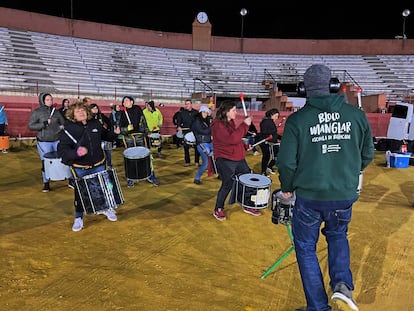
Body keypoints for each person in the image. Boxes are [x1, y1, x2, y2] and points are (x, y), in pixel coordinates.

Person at [277, 64, 374, 311]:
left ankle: (318, 307)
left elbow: (286, 162)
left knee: (306, 248)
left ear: (304, 90)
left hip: (309, 197)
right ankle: (342, 285)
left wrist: (287, 187)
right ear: (333, 86)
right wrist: (348, 171)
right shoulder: (356, 115)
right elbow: (368, 154)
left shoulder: (297, 120)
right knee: (338, 234)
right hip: (343, 195)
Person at [57, 101, 121, 232]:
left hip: (99, 163)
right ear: (72, 115)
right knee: (81, 193)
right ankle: (79, 217)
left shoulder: (95, 124)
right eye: (77, 111)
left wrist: (114, 134)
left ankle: (106, 209)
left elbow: (105, 135)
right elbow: (62, 151)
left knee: (103, 188)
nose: (81, 113)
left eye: (83, 110)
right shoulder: (68, 129)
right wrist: (76, 153)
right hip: (80, 167)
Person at [211, 100, 261, 221]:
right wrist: (244, 124)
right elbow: (232, 139)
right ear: (226, 112)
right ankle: (218, 208)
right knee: (227, 183)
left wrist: (244, 146)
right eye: (233, 110)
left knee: (247, 179)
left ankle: (247, 203)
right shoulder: (217, 125)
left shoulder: (230, 122)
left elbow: (236, 139)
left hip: (237, 157)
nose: (236, 112)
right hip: (225, 158)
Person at [118, 96, 160, 187]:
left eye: (126, 100)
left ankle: (151, 175)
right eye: (123, 101)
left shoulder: (137, 109)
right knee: (130, 159)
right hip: (129, 138)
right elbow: (120, 129)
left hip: (140, 137)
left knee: (146, 156)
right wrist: (127, 128)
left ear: (132, 102)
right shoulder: (122, 113)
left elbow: (143, 121)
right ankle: (131, 178)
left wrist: (147, 131)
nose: (124, 102)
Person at [28, 92, 66, 192]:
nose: (50, 101)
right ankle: (46, 183)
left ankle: (67, 178)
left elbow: (63, 123)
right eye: (48, 100)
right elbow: (31, 126)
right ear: (42, 101)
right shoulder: (37, 112)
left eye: (51, 99)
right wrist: (43, 124)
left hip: (57, 140)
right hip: (44, 141)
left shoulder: (56, 112)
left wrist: (62, 127)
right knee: (45, 162)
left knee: (63, 160)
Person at [191, 105, 212, 185]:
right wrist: (211, 128)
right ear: (200, 112)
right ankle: (197, 178)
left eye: (206, 112)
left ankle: (219, 173)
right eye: (204, 112)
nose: (205, 114)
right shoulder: (196, 121)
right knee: (206, 162)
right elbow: (204, 131)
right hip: (201, 144)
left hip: (209, 142)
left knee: (217, 158)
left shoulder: (206, 120)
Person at [176, 99, 200, 166]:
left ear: (191, 104)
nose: (187, 105)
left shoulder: (196, 113)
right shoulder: (182, 113)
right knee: (186, 148)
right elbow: (179, 121)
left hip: (195, 132)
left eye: (188, 104)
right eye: (186, 104)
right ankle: (187, 162)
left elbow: (199, 121)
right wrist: (179, 126)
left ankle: (197, 162)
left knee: (196, 148)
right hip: (186, 132)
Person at [90, 103, 114, 168]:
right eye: (93, 108)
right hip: (96, 139)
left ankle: (109, 165)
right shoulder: (89, 118)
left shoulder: (101, 116)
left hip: (106, 137)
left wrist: (109, 130)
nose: (95, 110)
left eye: (96, 108)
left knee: (108, 152)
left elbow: (110, 122)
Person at [258, 108, 280, 175]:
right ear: (271, 114)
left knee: (274, 155)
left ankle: (269, 167)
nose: (277, 118)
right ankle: (263, 171)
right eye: (276, 116)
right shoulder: (266, 122)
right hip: (267, 142)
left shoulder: (270, 121)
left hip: (272, 142)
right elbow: (264, 133)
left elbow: (273, 133)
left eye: (277, 116)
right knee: (267, 156)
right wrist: (272, 136)